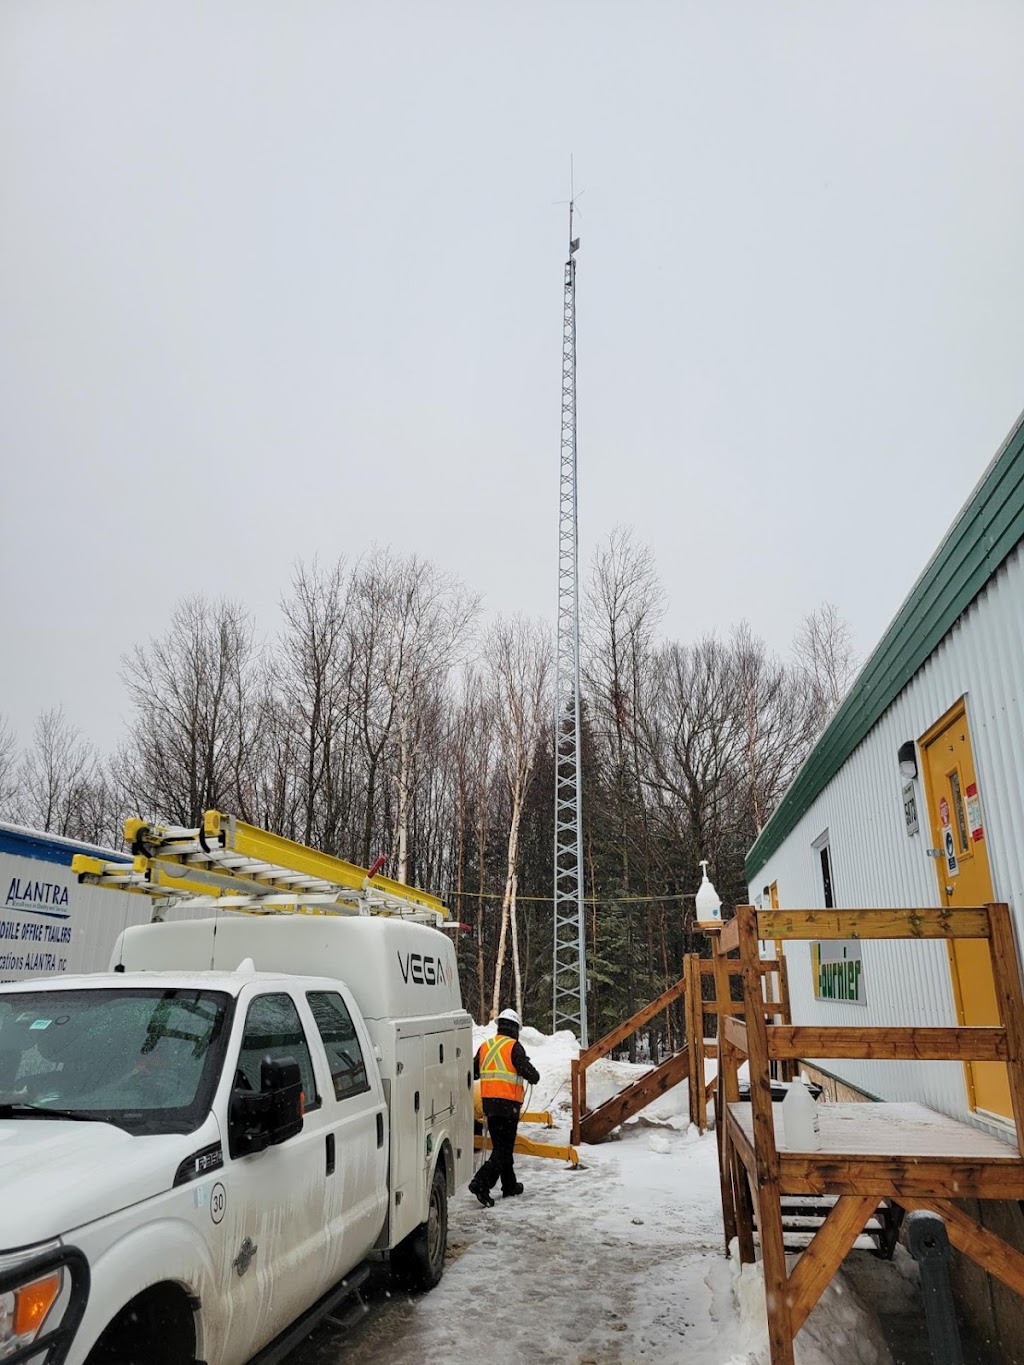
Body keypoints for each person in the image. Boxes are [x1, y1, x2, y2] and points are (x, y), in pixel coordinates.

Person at [468, 1008, 540, 1207]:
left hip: (489, 1106)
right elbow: (529, 1072)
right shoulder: (514, 1047)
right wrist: (533, 1076)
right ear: (515, 1029)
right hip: (508, 1106)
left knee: (501, 1147)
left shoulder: (486, 1046)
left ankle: (509, 1185)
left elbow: (474, 1072)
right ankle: (481, 1183)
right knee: (503, 1150)